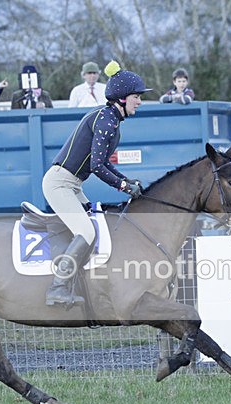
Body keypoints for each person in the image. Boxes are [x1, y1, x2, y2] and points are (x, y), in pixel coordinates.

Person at [42, 60, 151, 306]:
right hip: (60, 184)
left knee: (96, 227)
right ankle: (57, 288)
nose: (140, 101)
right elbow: (97, 167)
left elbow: (102, 163)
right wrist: (123, 187)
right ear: (122, 98)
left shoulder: (110, 120)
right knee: (87, 231)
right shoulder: (106, 121)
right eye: (137, 96)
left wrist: (126, 180)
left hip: (72, 185)